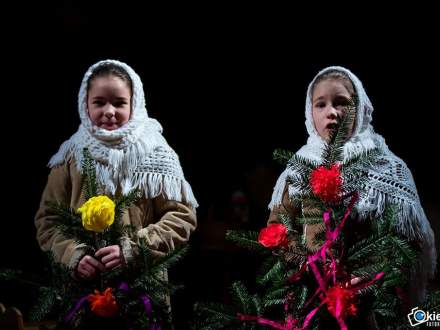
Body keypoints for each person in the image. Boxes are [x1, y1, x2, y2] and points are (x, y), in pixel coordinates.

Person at [268, 66, 436, 321]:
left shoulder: (388, 167)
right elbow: (278, 228)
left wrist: (372, 273)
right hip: (312, 299)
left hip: (374, 302)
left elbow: (409, 240)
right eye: (320, 104)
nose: (331, 112)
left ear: (360, 108)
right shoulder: (299, 166)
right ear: (309, 111)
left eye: (341, 102)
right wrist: (304, 262)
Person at [35, 59, 198, 282]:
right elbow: (48, 221)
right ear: (86, 104)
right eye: (99, 102)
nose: (109, 111)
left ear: (134, 103)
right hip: (83, 293)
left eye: (119, 103)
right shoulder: (70, 155)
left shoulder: (155, 152)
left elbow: (182, 217)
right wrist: (73, 255)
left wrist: (132, 249)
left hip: (144, 290)